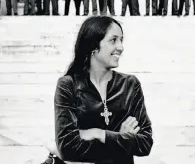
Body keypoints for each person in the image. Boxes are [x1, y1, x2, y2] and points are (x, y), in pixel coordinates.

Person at [40, 16, 153, 164]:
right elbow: (67, 148)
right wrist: (121, 138)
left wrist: (99, 134)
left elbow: (145, 144)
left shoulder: (130, 85)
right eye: (113, 40)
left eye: (121, 40)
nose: (120, 47)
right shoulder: (68, 85)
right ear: (93, 46)